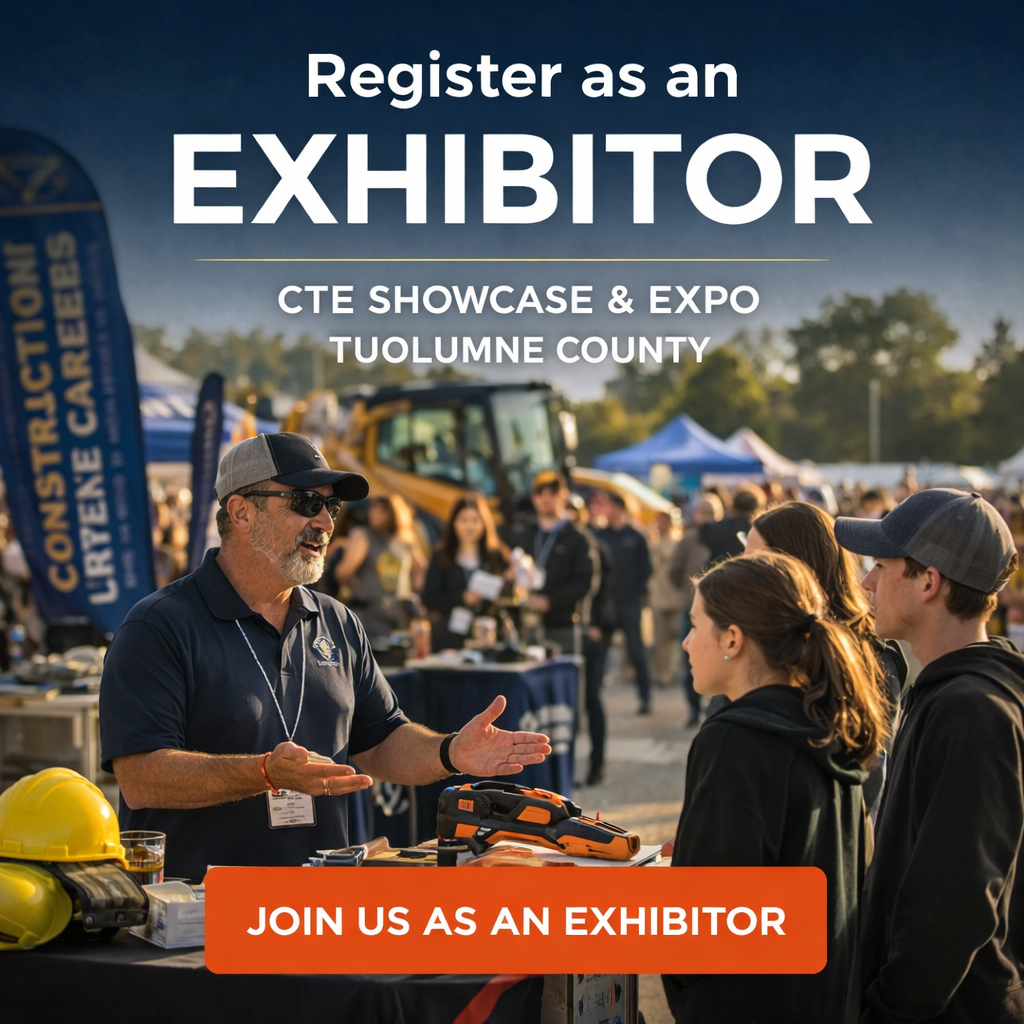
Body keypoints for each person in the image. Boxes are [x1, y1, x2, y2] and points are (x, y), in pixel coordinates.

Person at [99, 432, 550, 882]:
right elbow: (141, 778)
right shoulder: (158, 626)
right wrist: (264, 773)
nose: (326, 524)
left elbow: (381, 741)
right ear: (240, 513)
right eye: (304, 503)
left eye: (330, 508)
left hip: (318, 907)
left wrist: (451, 751)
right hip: (197, 911)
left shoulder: (335, 621)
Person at [663, 550, 889, 1024]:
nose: (685, 643)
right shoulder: (829, 726)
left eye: (695, 625)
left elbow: (702, 924)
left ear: (732, 638)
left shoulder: (735, 740)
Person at [834, 488, 1024, 1024]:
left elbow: (954, 901)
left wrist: (889, 1009)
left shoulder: (972, 709)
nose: (866, 581)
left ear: (929, 582)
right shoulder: (953, 689)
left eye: (880, 565)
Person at [746, 500, 907, 810]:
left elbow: (867, 784)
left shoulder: (871, 657)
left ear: (798, 569)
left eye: (756, 564)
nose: (740, 575)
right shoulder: (752, 645)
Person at [509, 469, 594, 658]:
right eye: (540, 493)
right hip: (525, 624)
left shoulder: (578, 538)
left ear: (564, 495)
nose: (546, 498)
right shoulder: (522, 535)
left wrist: (550, 602)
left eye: (552, 492)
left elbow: (585, 582)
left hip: (561, 624)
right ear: (533, 497)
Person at [331, 494, 427, 641]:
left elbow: (421, 569)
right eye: (374, 509)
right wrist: (356, 589)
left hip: (397, 618)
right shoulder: (362, 536)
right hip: (368, 615)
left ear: (394, 513)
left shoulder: (406, 539)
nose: (376, 514)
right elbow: (343, 573)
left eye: (383, 510)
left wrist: (410, 593)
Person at [421, 493, 508, 651]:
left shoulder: (495, 556)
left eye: (475, 520)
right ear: (453, 523)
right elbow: (429, 598)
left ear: (484, 523)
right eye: (464, 520)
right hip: (449, 641)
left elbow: (509, 595)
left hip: (488, 640)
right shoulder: (441, 557)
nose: (470, 526)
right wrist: (462, 597)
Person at [597, 492, 654, 713]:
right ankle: (594, 701)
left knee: (637, 653)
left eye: (609, 506)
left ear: (620, 508)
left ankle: (645, 698)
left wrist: (635, 595)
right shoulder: (600, 536)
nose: (606, 511)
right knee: (599, 655)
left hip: (630, 604)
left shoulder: (636, 537)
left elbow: (646, 570)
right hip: (606, 605)